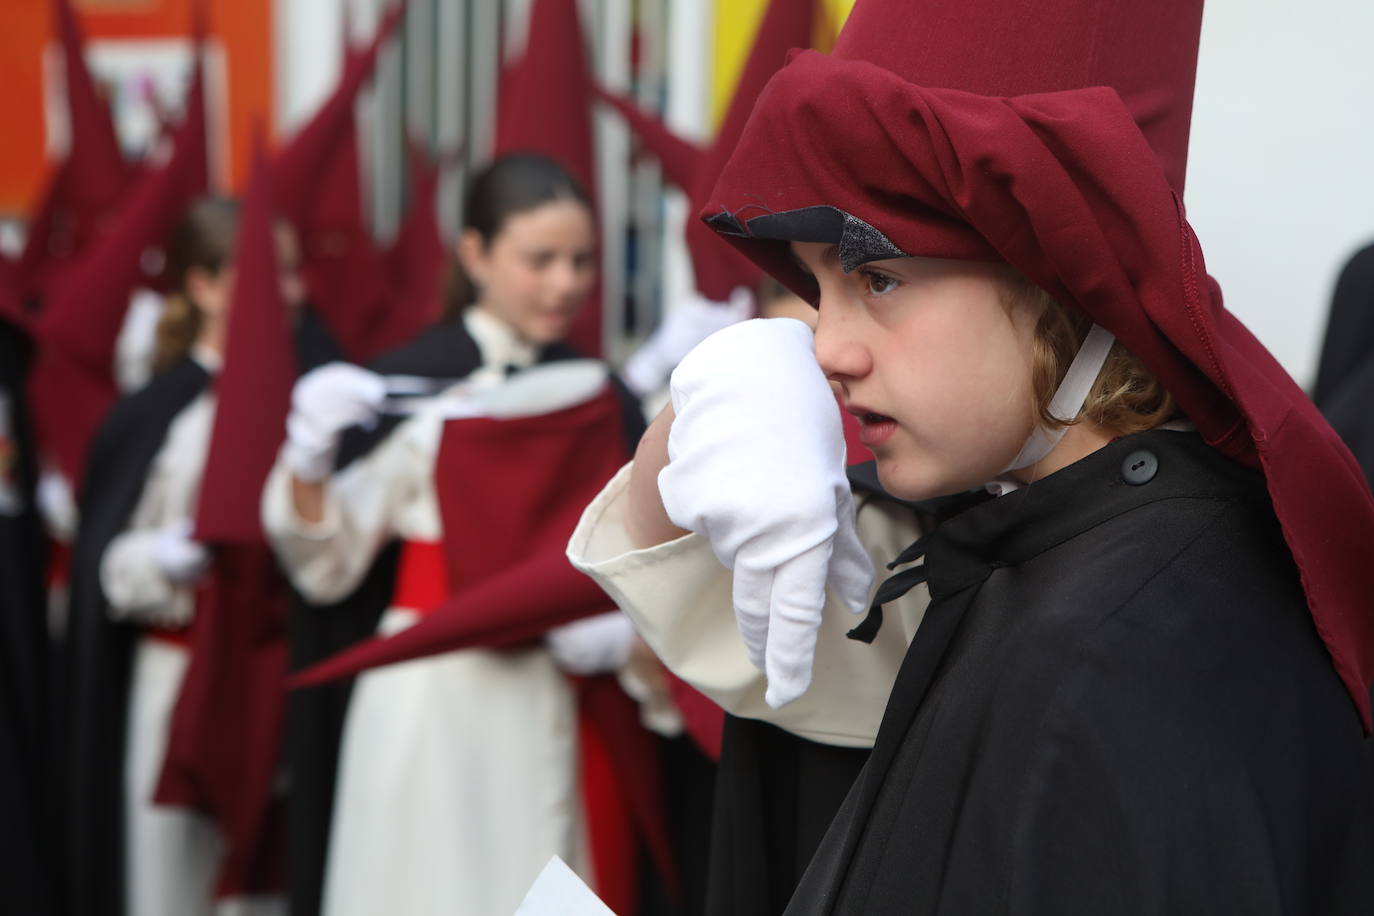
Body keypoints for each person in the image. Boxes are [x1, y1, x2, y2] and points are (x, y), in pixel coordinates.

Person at [569, 0, 1374, 912]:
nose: (827, 347)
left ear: (1059, 271)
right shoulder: (1027, 537)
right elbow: (790, 669)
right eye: (816, 285)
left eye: (877, 277)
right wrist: (692, 415)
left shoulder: (1129, 652)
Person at [262, 154, 654, 916]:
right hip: (434, 693)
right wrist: (308, 460)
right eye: (539, 260)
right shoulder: (409, 386)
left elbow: (650, 549)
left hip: (560, 692)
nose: (565, 283)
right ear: (474, 254)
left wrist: (625, 628)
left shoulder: (606, 396)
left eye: (581, 261)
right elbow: (329, 568)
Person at [66, 196, 328, 916]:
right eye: (266, 274)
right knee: (170, 881)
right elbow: (105, 571)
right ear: (203, 287)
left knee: (267, 885)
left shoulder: (321, 399)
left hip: (280, 679)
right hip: (177, 677)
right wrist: (163, 556)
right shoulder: (156, 412)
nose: (292, 292)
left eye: (293, 272)